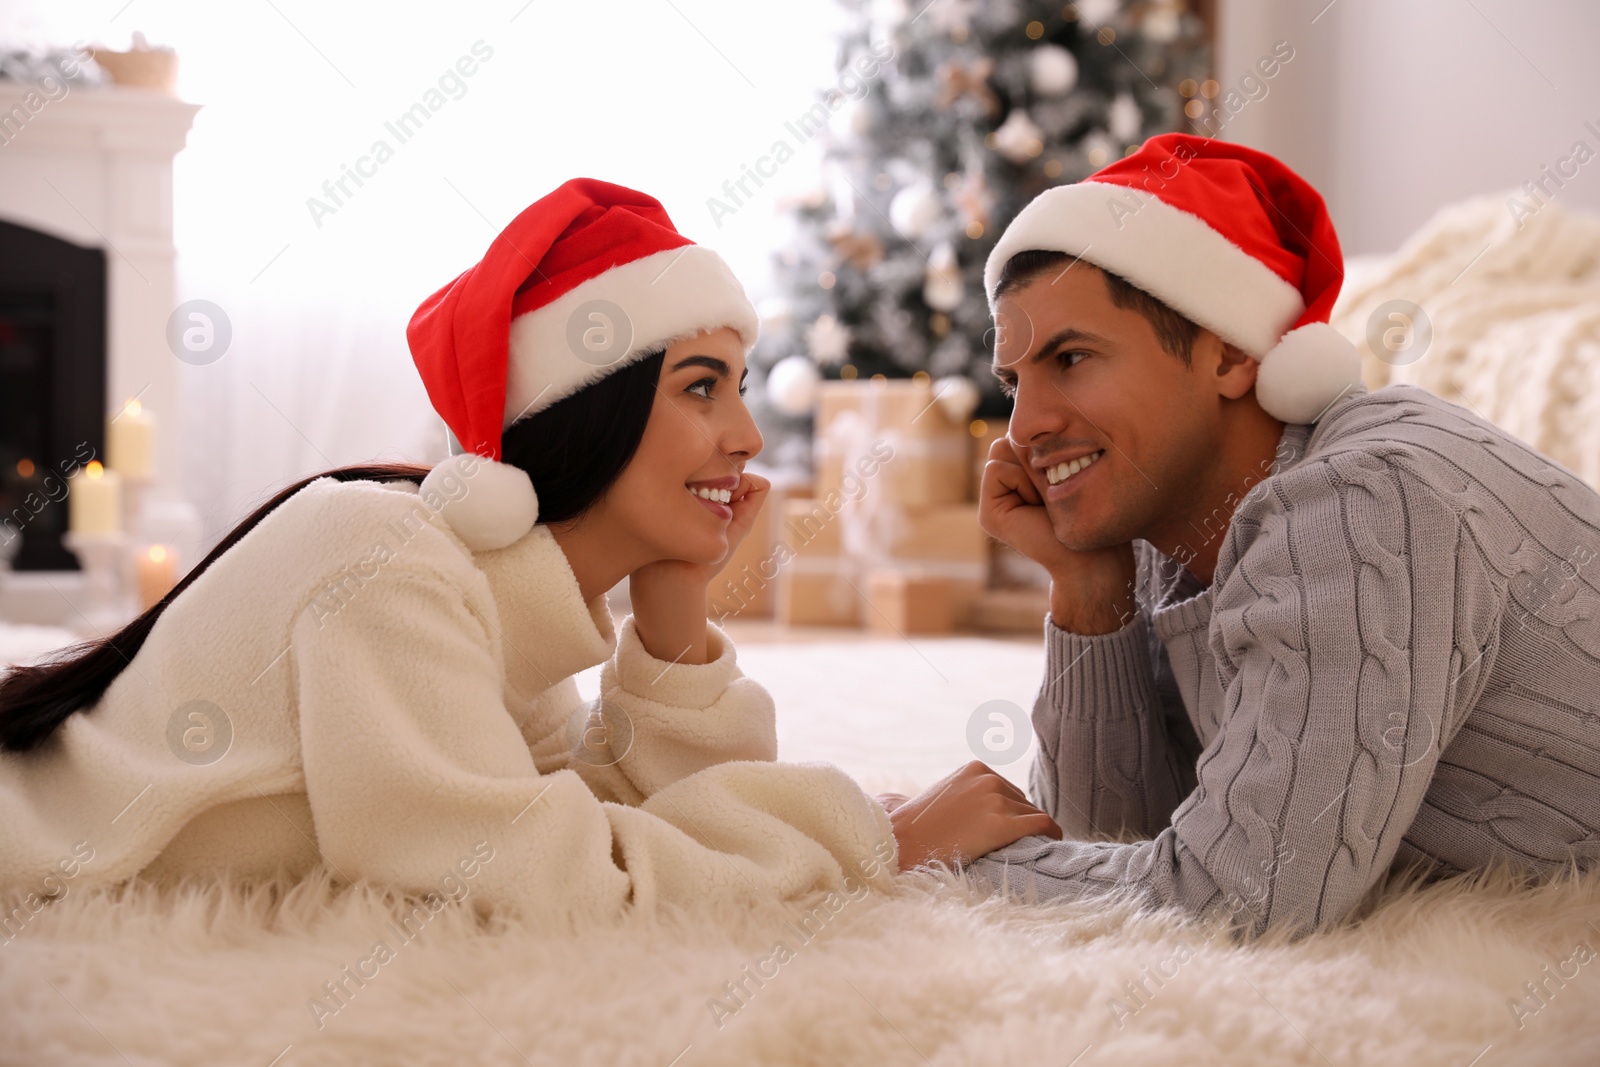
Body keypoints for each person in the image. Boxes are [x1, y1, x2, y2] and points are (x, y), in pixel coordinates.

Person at [0, 179, 1053, 930]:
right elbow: (543, 884)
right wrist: (877, 841)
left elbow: (602, 818)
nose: (746, 435)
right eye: (700, 385)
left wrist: (675, 618)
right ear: (583, 408)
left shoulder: (489, 604)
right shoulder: (387, 561)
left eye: (740, 385)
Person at [964, 133, 1600, 938]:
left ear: (1230, 351)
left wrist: (948, 854)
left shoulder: (1364, 504)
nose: (1026, 427)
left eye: (1072, 357)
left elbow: (1239, 902)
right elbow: (1120, 832)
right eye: (1014, 382)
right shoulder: (1178, 533)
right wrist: (1091, 593)